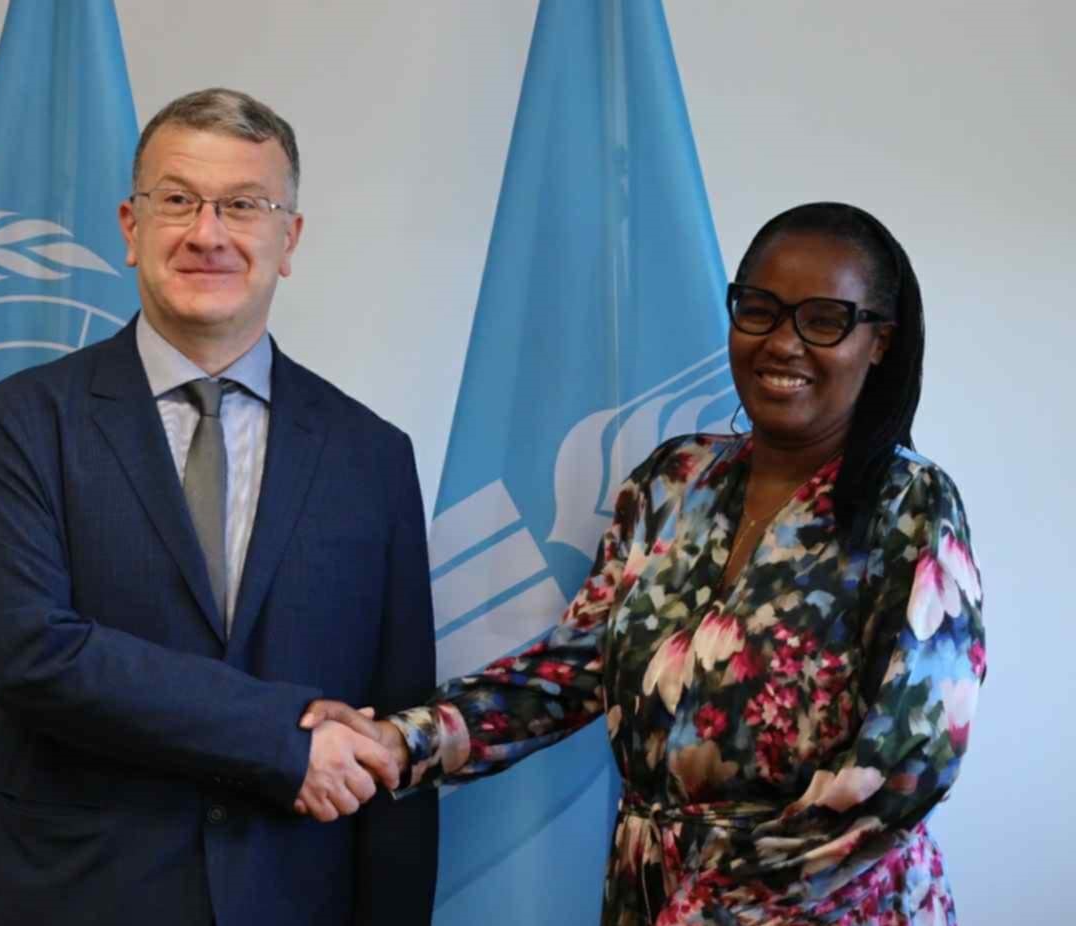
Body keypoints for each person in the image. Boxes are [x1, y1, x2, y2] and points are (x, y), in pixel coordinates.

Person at [307, 202, 985, 925]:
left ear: (880, 342)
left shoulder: (909, 505)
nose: (783, 342)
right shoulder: (672, 480)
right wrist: (399, 741)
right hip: (652, 896)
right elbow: (571, 673)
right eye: (760, 310)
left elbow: (906, 769)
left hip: (825, 907)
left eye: (824, 320)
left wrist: (708, 912)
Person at [0, 88, 438, 926]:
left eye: (244, 205)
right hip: (76, 899)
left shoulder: (372, 456)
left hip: (296, 901)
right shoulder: (22, 423)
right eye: (177, 200)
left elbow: (392, 723)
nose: (207, 233)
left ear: (290, 239)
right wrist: (283, 737)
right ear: (130, 226)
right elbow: (32, 654)